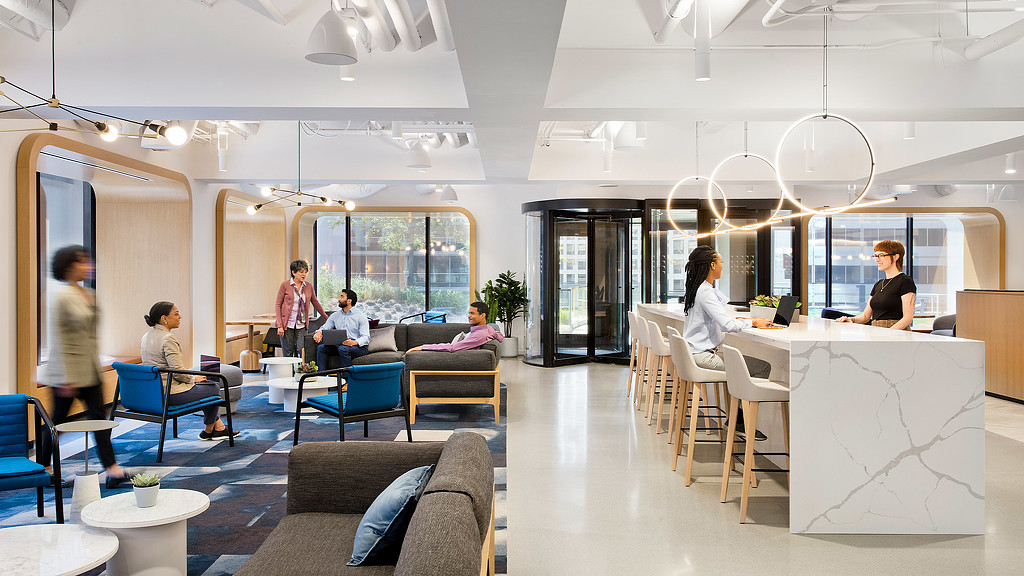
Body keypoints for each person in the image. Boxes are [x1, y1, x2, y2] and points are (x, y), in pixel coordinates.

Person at [38, 245, 131, 489]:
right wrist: (68, 378)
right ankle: (45, 468)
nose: (88, 265)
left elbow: (89, 336)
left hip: (89, 369)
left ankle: (112, 470)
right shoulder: (60, 297)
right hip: (66, 374)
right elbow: (60, 339)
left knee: (100, 419)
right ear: (68, 265)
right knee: (57, 422)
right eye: (82, 261)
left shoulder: (88, 294)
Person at [680, 245, 773, 440]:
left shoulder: (699, 289)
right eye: (721, 262)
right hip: (703, 356)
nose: (723, 266)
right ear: (713, 265)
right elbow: (727, 324)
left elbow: (722, 316)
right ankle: (741, 421)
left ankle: (738, 419)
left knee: (748, 366)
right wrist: (753, 322)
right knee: (762, 367)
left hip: (695, 354)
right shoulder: (705, 292)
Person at [141, 301, 240, 440]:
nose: (180, 317)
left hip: (153, 391)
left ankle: (217, 427)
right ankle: (210, 429)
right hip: (169, 393)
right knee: (213, 387)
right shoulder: (167, 338)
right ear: (164, 319)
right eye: (176, 314)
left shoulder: (147, 336)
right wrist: (193, 378)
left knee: (206, 384)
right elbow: (177, 373)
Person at [835, 240, 917, 330]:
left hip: (896, 332)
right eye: (875, 256)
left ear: (895, 257)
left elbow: (907, 319)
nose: (877, 259)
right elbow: (865, 317)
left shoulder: (905, 281)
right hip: (876, 330)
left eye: (881, 255)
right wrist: (851, 319)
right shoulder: (879, 284)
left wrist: (888, 333)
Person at [274, 260, 327, 359]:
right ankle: (289, 372)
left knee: (301, 348)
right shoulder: (285, 285)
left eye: (305, 272)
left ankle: (301, 371)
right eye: (301, 272)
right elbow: (278, 305)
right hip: (287, 324)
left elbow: (315, 303)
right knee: (288, 350)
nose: (304, 274)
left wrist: (326, 317)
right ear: (293, 272)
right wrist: (280, 325)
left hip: (301, 323)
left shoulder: (308, 286)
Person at [407, 302, 503, 353]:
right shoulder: (488, 329)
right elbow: (500, 336)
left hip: (451, 355)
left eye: (472, 313)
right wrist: (494, 334)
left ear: (482, 316)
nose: (469, 316)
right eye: (468, 313)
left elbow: (452, 347)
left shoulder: (479, 335)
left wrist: (422, 347)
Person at [313, 289, 370, 369]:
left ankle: (347, 379)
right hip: (340, 346)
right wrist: (319, 332)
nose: (339, 299)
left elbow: (366, 338)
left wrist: (353, 342)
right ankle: (321, 376)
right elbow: (325, 327)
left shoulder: (361, 316)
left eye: (342, 297)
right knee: (321, 348)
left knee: (343, 349)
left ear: (349, 301)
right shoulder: (335, 315)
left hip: (358, 347)